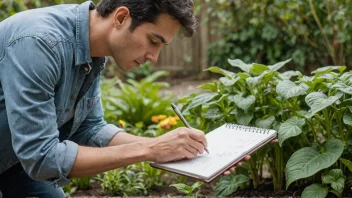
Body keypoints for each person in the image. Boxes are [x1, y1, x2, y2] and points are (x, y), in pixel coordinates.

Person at [0, 0, 249, 197]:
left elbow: (90, 128)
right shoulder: (40, 44)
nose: (154, 57)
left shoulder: (93, 50)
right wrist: (150, 150)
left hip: (13, 159)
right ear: (121, 17)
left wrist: (169, 149)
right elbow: (42, 158)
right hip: (26, 158)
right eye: (153, 41)